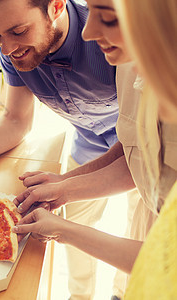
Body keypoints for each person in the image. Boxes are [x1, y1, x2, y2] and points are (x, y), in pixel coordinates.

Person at [0, 0, 121, 298]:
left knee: (142, 230)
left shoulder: (109, 37)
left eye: (18, 31)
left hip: (144, 148)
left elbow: (137, 147)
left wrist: (68, 183)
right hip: (87, 145)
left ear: (56, 6)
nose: (6, 49)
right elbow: (16, 120)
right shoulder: (13, 49)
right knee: (75, 230)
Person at [12, 0, 177, 297]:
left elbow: (166, 262)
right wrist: (64, 185)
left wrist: (65, 230)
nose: (88, 32)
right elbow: (134, 148)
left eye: (109, 19)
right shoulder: (128, 62)